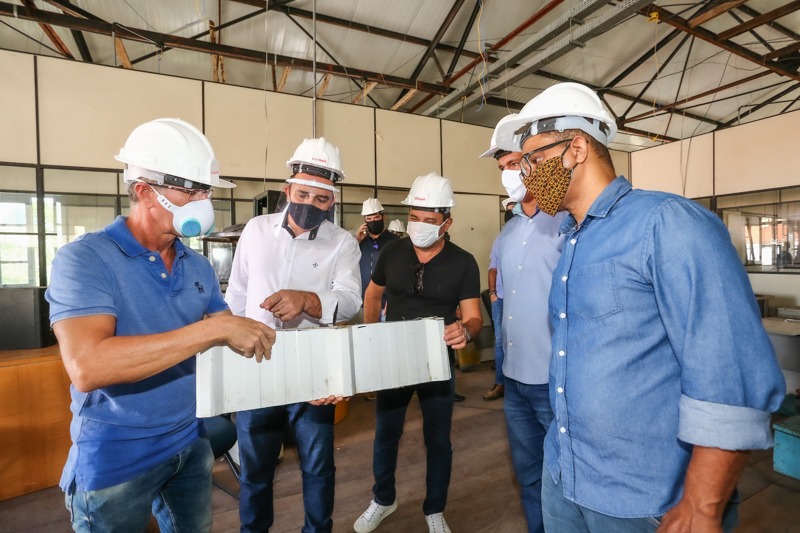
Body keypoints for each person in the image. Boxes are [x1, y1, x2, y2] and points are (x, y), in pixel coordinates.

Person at [496, 82, 785, 532]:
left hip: (642, 499)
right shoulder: (572, 239)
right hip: (565, 477)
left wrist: (703, 505)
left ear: (576, 149)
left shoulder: (666, 223)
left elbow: (729, 376)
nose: (526, 175)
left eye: (532, 159)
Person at [45, 118, 276, 533]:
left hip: (189, 442)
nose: (203, 201)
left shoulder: (198, 265)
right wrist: (210, 330)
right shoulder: (86, 259)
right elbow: (89, 366)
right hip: (117, 458)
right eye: (191, 190)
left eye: (206, 191)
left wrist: (315, 378)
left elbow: (236, 339)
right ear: (144, 191)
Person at [225, 137, 362, 533]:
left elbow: (351, 301)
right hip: (257, 365)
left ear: (332, 201)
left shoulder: (342, 243)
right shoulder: (256, 230)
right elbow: (237, 293)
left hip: (311, 369)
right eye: (303, 195)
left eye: (321, 199)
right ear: (287, 191)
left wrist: (307, 300)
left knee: (318, 467)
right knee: (255, 470)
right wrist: (232, 351)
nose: (310, 204)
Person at [353, 173, 482, 533]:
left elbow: (473, 316)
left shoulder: (463, 262)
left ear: (446, 223)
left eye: (429, 219)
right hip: (393, 357)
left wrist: (465, 332)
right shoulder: (393, 252)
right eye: (414, 217)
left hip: (436, 362)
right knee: (386, 434)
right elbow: (372, 294)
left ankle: (435, 508)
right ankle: (383, 499)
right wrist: (371, 337)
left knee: (438, 439)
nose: (420, 225)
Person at [484, 114, 568, 532]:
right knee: (529, 475)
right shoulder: (509, 233)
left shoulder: (565, 225)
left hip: (553, 381)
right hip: (515, 382)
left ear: (537, 162)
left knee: (564, 479)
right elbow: (504, 297)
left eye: (515, 164)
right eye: (502, 168)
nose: (508, 175)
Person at [356, 197, 399, 312]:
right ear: (365, 221)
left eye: (376, 217)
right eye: (369, 219)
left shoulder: (395, 241)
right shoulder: (361, 242)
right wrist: (357, 241)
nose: (373, 221)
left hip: (386, 304)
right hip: (364, 302)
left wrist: (393, 300)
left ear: (383, 217)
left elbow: (400, 273)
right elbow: (349, 263)